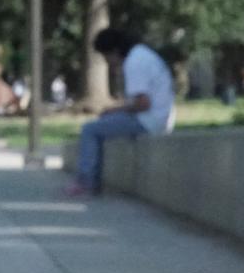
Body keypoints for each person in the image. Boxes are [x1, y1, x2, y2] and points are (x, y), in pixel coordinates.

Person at [65, 29, 175, 198]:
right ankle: (90, 180)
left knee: (90, 130)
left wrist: (114, 109)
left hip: (148, 120)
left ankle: (86, 183)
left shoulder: (134, 62)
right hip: (160, 117)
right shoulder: (143, 54)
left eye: (106, 57)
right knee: (102, 124)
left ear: (115, 52)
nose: (109, 63)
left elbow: (143, 104)